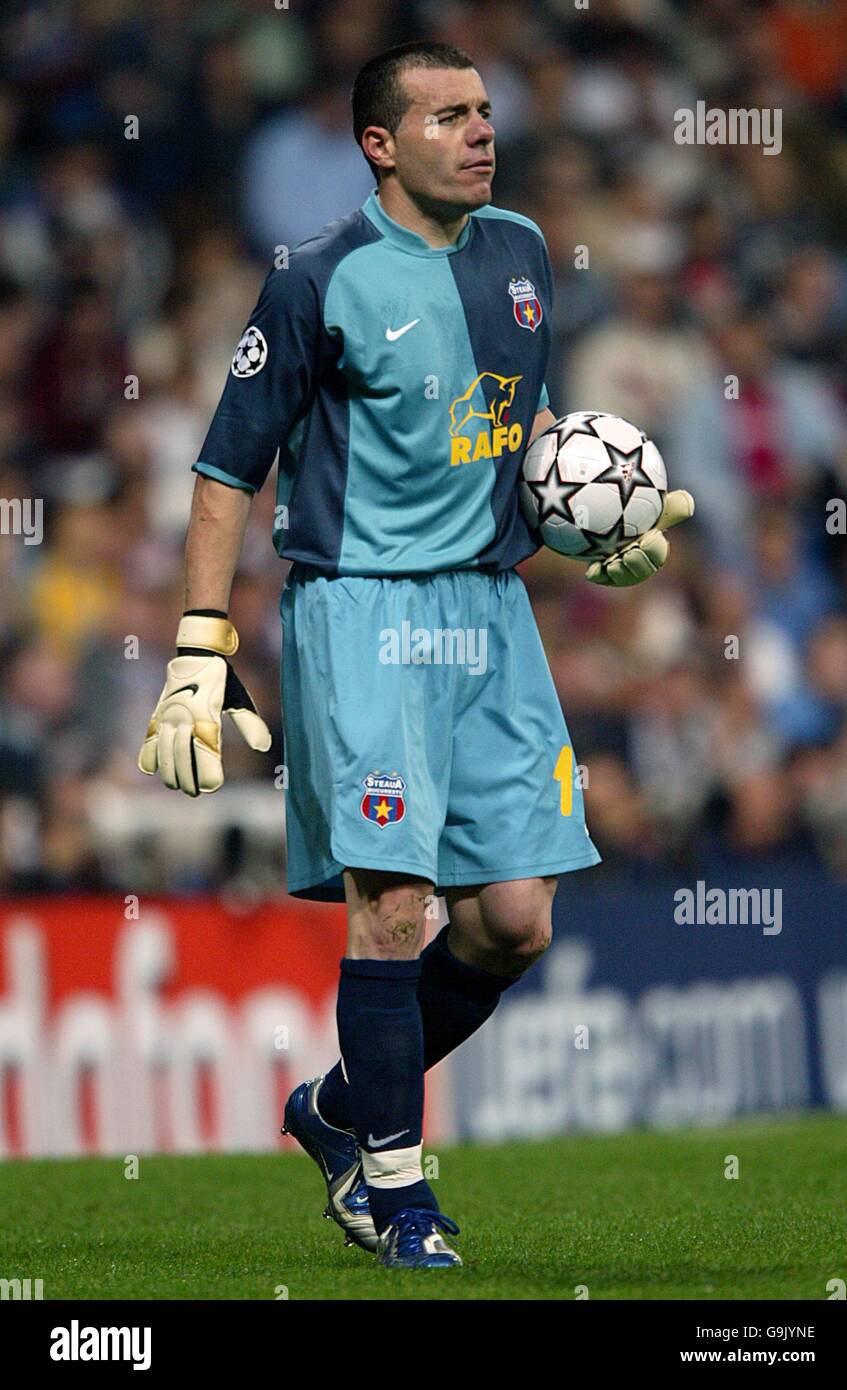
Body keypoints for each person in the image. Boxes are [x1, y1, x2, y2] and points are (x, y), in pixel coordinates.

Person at [138, 40, 692, 1270]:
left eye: (485, 111)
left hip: (493, 613)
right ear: (380, 146)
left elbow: (524, 421)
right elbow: (228, 469)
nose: (480, 132)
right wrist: (196, 649)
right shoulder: (317, 278)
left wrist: (597, 519)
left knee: (514, 922)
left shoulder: (525, 252)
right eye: (448, 116)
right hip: (363, 612)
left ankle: (337, 1111)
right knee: (394, 905)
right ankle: (398, 1191)